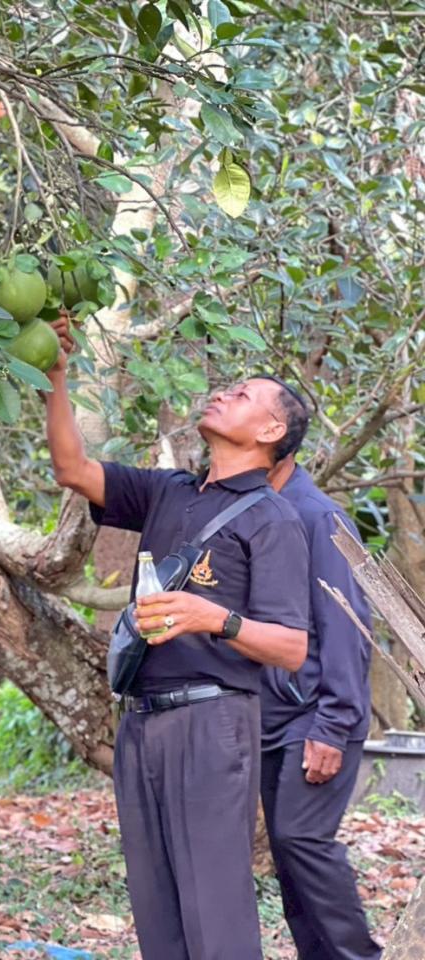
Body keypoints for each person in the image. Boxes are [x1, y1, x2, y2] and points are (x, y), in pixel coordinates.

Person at [44, 317, 311, 960]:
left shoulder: (274, 520)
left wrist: (210, 617)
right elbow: (71, 467)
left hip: (213, 722)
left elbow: (292, 647)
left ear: (271, 432)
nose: (222, 394)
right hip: (141, 722)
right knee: (156, 909)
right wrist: (54, 374)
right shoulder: (168, 491)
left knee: (213, 911)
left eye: (243, 395)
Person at [261, 452, 381, 959]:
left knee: (302, 839)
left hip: (316, 711)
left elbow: (348, 625)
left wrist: (333, 723)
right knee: (289, 857)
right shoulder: (256, 509)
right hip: (269, 715)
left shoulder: (318, 515)